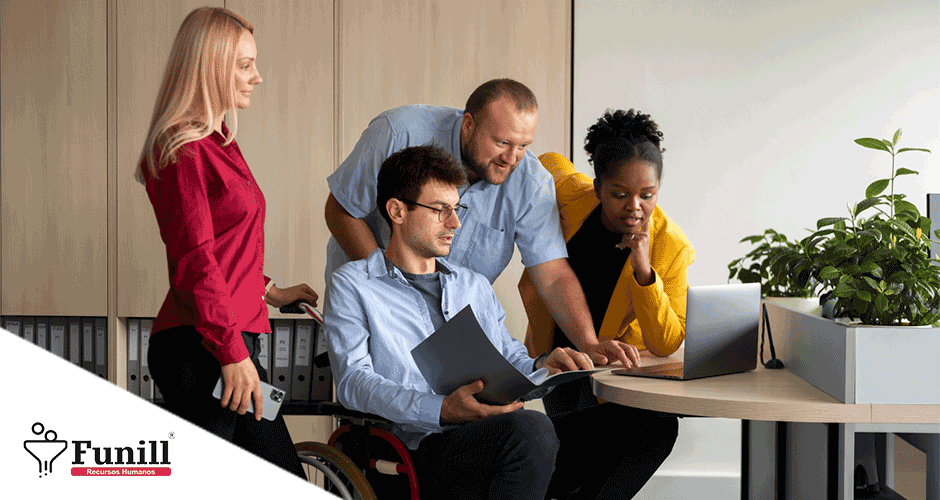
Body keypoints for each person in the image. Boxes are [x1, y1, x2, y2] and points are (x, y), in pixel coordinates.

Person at [325, 145, 595, 499]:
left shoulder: (472, 285)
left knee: (624, 426)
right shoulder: (353, 284)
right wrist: (442, 410)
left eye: (456, 209)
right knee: (531, 431)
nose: (455, 223)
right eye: (441, 211)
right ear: (397, 211)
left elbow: (510, 359)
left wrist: (545, 368)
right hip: (414, 447)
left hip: (489, 434)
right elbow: (353, 382)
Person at [324, 78, 636, 368]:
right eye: (502, 142)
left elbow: (552, 275)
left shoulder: (531, 182)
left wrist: (589, 343)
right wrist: (393, 294)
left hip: (450, 322)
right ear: (469, 125)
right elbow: (341, 210)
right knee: (380, 402)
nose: (512, 158)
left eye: (524, 145)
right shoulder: (398, 132)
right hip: (372, 294)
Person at [136, 7, 318, 478]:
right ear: (209, 66)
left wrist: (271, 291)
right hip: (204, 347)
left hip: (227, 341)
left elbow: (224, 250)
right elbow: (195, 260)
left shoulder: (219, 142)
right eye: (244, 65)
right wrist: (232, 352)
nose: (257, 77)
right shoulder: (183, 148)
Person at [519, 109, 694, 499]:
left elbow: (666, 341)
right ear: (597, 188)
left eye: (647, 195)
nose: (635, 206)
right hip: (558, 360)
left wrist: (644, 271)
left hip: (612, 372)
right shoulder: (570, 196)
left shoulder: (671, 246)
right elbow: (543, 162)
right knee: (572, 466)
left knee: (656, 431)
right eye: (619, 194)